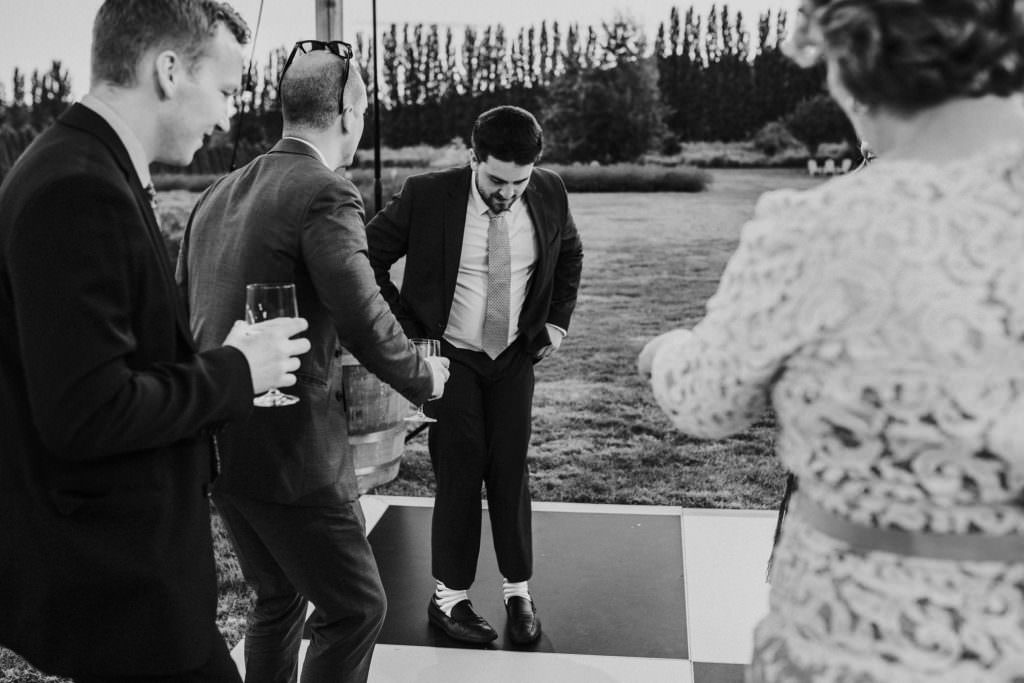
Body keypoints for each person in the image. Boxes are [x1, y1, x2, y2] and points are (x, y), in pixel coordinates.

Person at [639, 0, 1024, 680]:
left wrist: (666, 353)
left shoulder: (821, 228)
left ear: (855, 62)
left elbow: (709, 402)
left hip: (856, 633)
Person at [0, 2, 312, 682]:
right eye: (226, 90)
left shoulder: (83, 164)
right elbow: (86, 411)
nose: (230, 116)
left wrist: (208, 360)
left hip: (133, 579)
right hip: (120, 585)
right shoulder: (78, 186)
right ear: (168, 70)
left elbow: (108, 361)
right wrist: (236, 370)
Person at [178, 42, 450, 683]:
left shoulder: (215, 195)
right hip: (293, 455)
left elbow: (183, 317)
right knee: (357, 608)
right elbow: (364, 314)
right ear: (349, 112)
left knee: (277, 601)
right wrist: (423, 377)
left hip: (220, 446)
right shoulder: (327, 192)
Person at [365, 105, 584, 646]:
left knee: (510, 467)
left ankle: (518, 589)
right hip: (450, 355)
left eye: (519, 181)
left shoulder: (551, 190)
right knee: (460, 465)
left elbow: (571, 253)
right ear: (472, 158)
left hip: (514, 354)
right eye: (494, 179)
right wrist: (412, 333)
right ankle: (450, 599)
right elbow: (365, 256)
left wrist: (555, 323)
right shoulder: (426, 194)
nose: (506, 192)